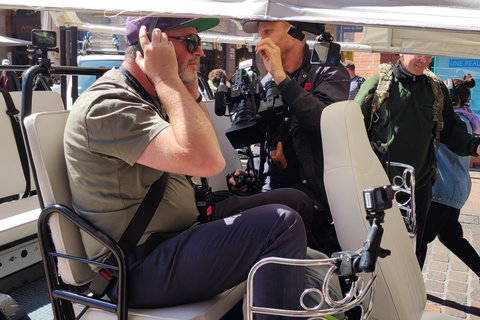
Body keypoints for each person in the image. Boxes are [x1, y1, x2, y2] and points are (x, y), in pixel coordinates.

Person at [64, 16, 313, 317]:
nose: (201, 53)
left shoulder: (152, 94)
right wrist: (169, 79)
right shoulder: (110, 104)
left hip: (180, 232)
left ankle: (276, 298)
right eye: (192, 43)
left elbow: (209, 148)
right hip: (135, 264)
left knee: (296, 200)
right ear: (153, 44)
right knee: (280, 225)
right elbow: (209, 162)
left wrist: (189, 88)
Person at [235, 20, 350, 256]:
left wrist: (281, 78)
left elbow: (325, 123)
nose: (261, 40)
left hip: (315, 196)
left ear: (296, 32)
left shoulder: (328, 71)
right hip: (276, 185)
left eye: (268, 32)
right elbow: (262, 132)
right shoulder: (268, 81)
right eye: (260, 33)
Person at [355, 55, 480, 266]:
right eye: (418, 52)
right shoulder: (378, 84)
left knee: (413, 252)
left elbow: (451, 130)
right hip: (378, 186)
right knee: (373, 250)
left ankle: (409, 297)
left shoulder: (435, 87)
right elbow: (352, 128)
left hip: (419, 188)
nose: (425, 59)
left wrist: (474, 145)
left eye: (429, 52)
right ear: (402, 51)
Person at [419, 74, 480, 275]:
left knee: (419, 241)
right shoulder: (467, 117)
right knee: (450, 237)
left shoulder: (454, 121)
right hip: (454, 190)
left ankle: (411, 291)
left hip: (442, 191)